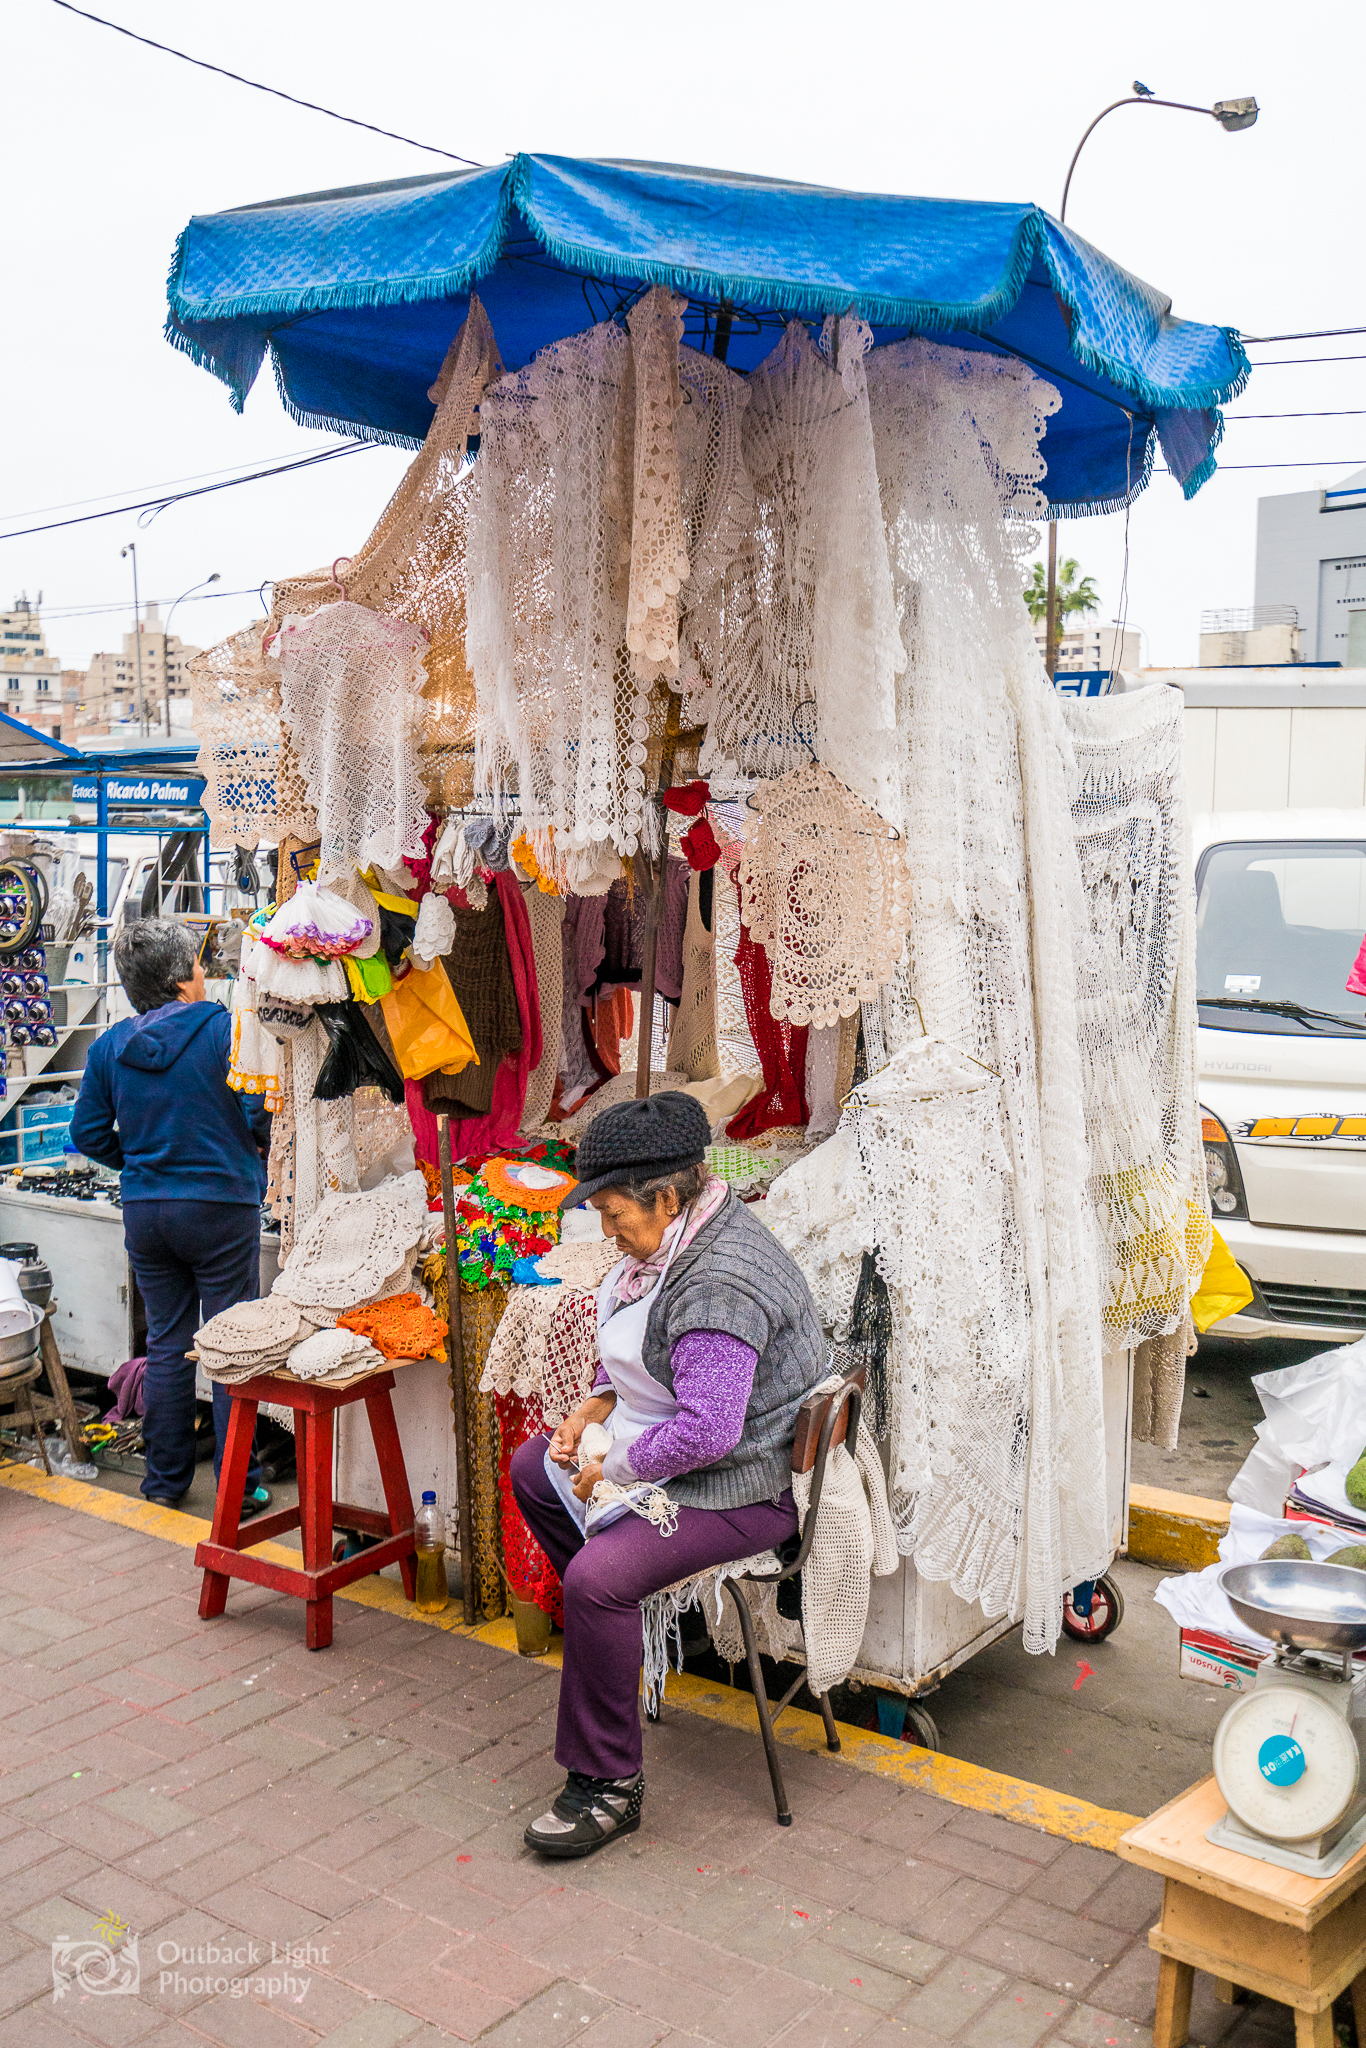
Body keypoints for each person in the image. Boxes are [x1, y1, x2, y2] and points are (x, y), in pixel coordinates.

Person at [511, 1091, 827, 1858]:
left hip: (745, 1485)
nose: (610, 1232)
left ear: (665, 1196)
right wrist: (593, 1404)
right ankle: (624, 1637)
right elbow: (648, 1347)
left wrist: (614, 1462)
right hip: (695, 1453)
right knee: (530, 1469)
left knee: (597, 1580)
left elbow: (710, 1430)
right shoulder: (676, 1239)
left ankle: (609, 1783)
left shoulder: (718, 1276)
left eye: (615, 1214)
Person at [70, 918, 272, 1514]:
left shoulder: (109, 1046)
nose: (206, 975)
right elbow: (259, 1110)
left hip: (146, 1212)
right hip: (219, 1207)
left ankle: (163, 1482)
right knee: (230, 1345)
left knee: (166, 1344)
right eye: (201, 966)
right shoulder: (224, 1030)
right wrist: (250, 1148)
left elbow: (86, 1133)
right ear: (183, 978)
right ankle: (239, 1487)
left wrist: (135, 1163)